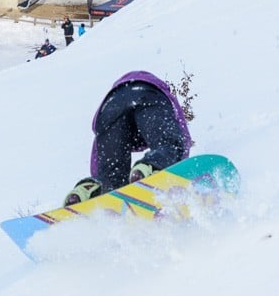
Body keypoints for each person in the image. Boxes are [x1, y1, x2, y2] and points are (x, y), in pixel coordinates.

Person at [63, 71, 192, 205]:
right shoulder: (162, 92)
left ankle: (87, 193)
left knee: (112, 176)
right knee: (168, 144)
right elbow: (179, 136)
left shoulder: (117, 99)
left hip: (110, 105)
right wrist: (178, 163)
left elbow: (100, 144)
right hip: (147, 93)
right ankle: (150, 167)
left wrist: (100, 177)